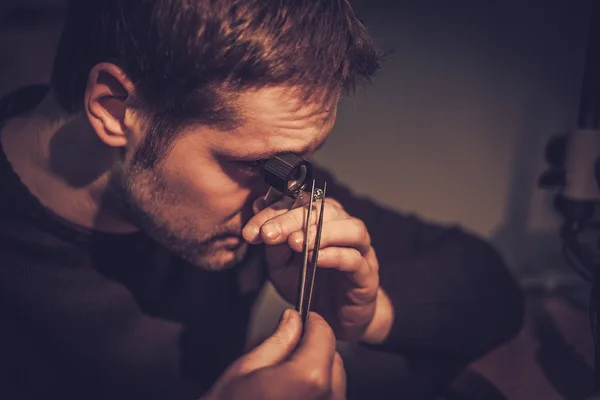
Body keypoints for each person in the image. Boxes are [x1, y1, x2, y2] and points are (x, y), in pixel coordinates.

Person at [0, 1, 524, 399]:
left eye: (293, 163)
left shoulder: (267, 183)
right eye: (255, 164)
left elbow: (492, 291)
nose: (271, 206)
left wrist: (368, 316)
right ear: (116, 111)